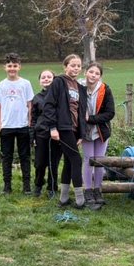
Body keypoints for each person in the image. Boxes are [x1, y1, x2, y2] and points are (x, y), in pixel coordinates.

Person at [40, 53, 88, 208]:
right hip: (63, 128)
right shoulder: (59, 82)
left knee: (69, 161)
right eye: (72, 65)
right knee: (76, 159)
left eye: (78, 66)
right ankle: (80, 200)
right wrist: (53, 128)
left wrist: (81, 133)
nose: (76, 68)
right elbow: (49, 106)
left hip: (74, 130)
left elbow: (81, 111)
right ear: (65, 66)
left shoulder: (80, 88)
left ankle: (64, 198)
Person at [0, 53, 34, 195]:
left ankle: (26, 186)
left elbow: (30, 105)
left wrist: (29, 123)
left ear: (19, 67)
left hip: (23, 126)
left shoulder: (25, 84)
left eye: (15, 66)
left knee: (25, 157)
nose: (12, 69)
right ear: (5, 67)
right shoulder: (0, 85)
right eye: (9, 66)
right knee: (7, 157)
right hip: (6, 127)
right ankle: (7, 186)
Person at [80, 62, 115, 211]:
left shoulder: (105, 89)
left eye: (97, 73)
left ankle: (98, 190)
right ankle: (87, 190)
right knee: (88, 160)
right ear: (85, 73)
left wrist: (91, 118)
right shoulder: (78, 87)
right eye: (91, 72)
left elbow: (110, 113)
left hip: (101, 131)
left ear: (100, 76)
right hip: (85, 131)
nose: (93, 75)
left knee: (100, 161)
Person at [29, 69, 56, 197]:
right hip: (40, 134)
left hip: (56, 135)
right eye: (43, 77)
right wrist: (32, 136)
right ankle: (38, 185)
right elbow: (33, 119)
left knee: (53, 162)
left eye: (49, 77)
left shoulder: (59, 97)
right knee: (40, 163)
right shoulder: (37, 98)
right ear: (40, 81)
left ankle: (52, 188)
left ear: (54, 79)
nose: (46, 79)